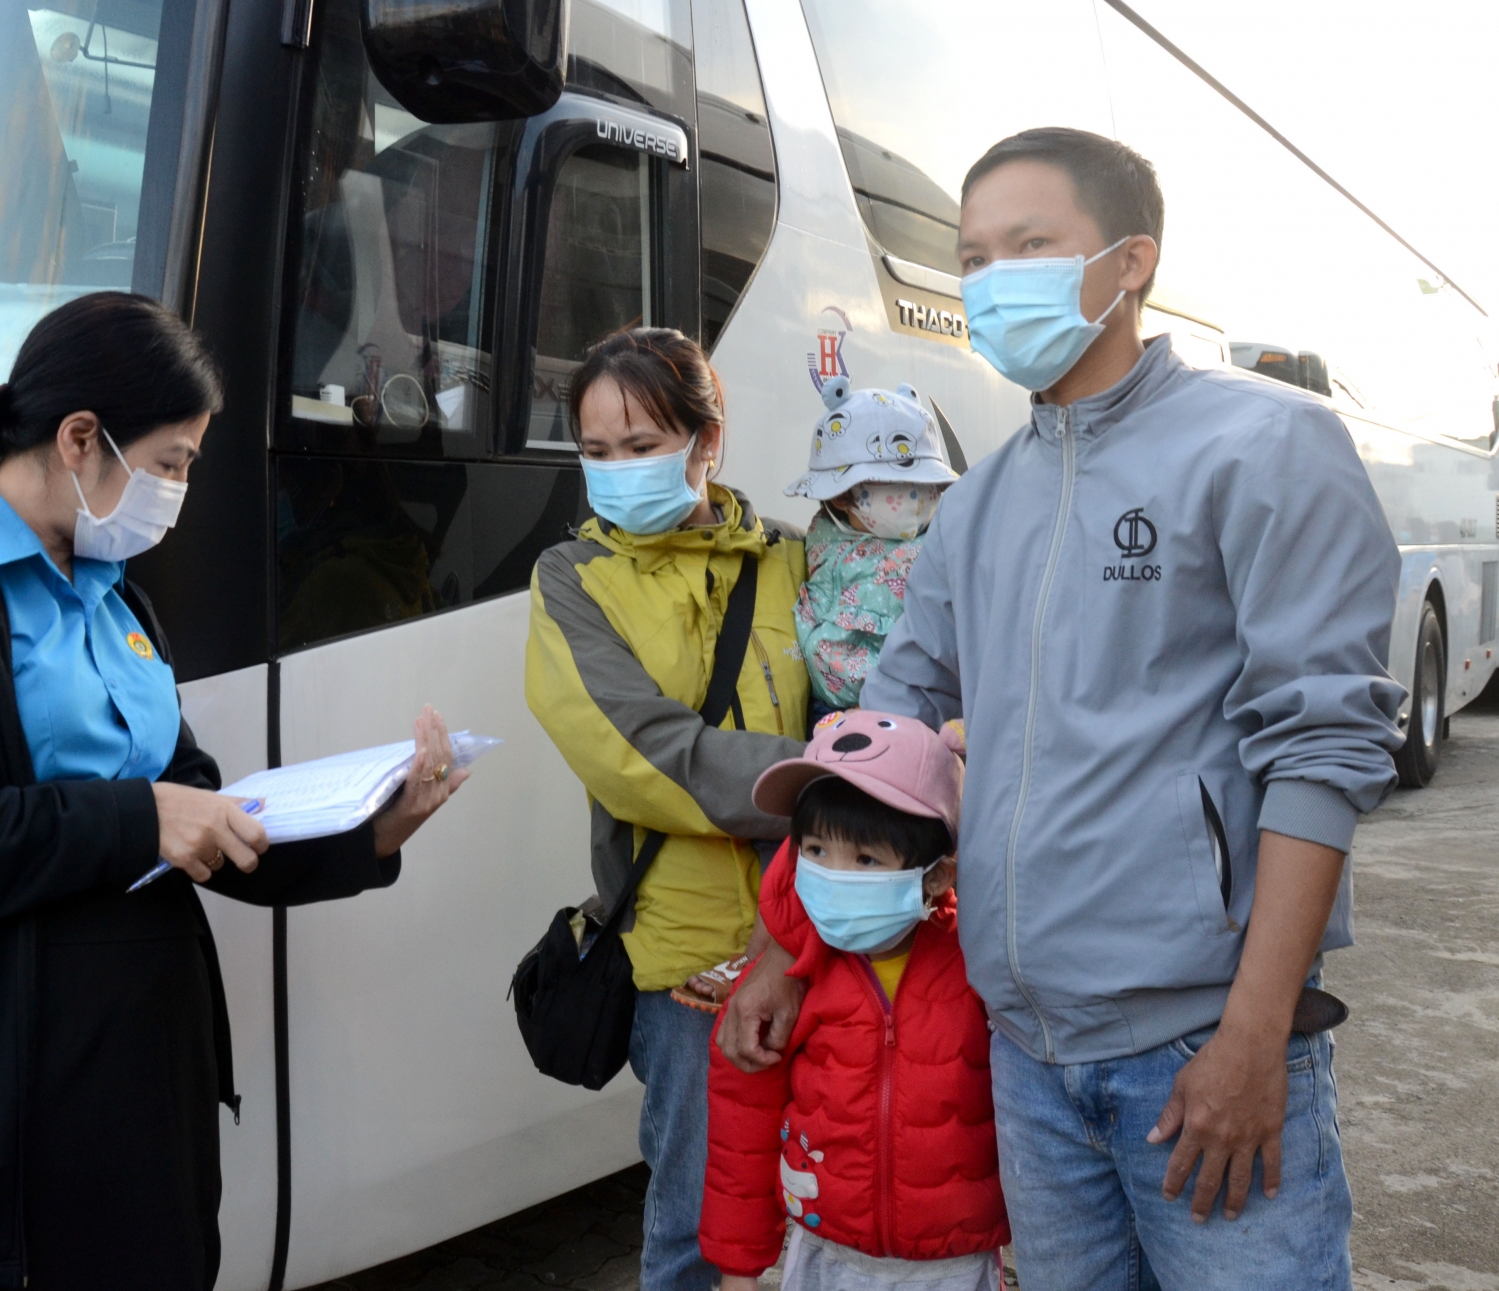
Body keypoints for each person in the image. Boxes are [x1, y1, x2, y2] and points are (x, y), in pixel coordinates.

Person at [718, 128, 1403, 1289]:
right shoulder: (978, 504)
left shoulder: (1264, 444)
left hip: (1201, 1047)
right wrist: (784, 948)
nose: (993, 282)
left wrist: (1253, 1035)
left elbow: (1324, 748)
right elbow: (879, 742)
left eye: (1029, 246)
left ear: (1130, 262)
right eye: (973, 258)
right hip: (1027, 1061)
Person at [0, 292, 467, 1290]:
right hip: (7, 1092)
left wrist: (370, 831)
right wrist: (138, 818)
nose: (178, 492)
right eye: (171, 462)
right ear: (81, 438)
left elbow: (199, 809)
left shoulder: (114, 593)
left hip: (146, 1076)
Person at [524, 327, 811, 1291]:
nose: (617, 470)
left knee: (845, 1207)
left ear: (707, 440)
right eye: (596, 451)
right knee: (698, 1227)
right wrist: (826, 780)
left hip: (825, 933)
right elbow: (643, 756)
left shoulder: (795, 560)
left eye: (642, 445)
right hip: (688, 967)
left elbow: (870, 705)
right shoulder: (570, 579)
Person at [701, 710, 1007, 1291]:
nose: (832, 875)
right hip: (823, 1260)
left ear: (937, 877)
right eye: (815, 849)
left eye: (866, 859)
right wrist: (738, 1271)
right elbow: (741, 1130)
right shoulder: (784, 984)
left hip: (953, 1267)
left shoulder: (980, 963)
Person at [784, 381, 958, 720]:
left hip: (906, 713)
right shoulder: (819, 536)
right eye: (899, 484)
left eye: (928, 485)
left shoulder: (945, 548)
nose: (920, 496)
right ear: (841, 496)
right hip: (822, 712)